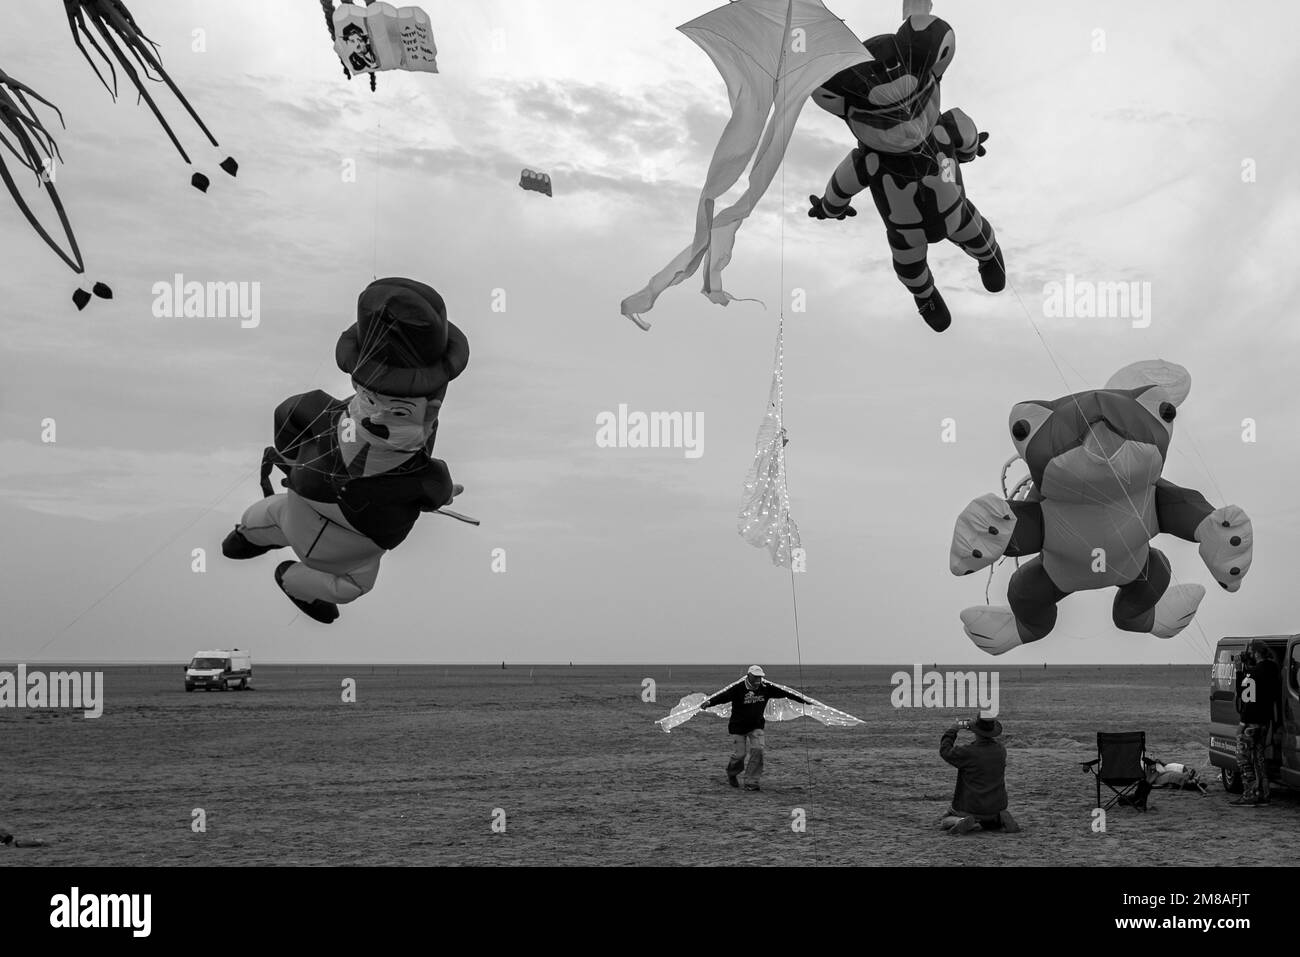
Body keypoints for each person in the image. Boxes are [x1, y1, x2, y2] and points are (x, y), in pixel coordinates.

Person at [699, 666, 810, 792]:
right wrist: (709, 702)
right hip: (738, 727)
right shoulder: (738, 689)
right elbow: (723, 696)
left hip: (756, 726)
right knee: (740, 755)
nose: (758, 680)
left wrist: (804, 700)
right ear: (749, 676)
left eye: (760, 677)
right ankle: (732, 773)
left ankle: (751, 782)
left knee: (758, 750)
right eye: (755, 677)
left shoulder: (766, 688)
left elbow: (785, 693)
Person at [938, 715, 1020, 834]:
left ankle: (960, 821)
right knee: (989, 819)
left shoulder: (968, 752)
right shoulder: (1001, 750)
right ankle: (999, 820)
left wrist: (953, 729)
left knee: (945, 819)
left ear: (975, 731)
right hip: (996, 807)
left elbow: (945, 750)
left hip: (971, 807)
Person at [1230, 639, 1282, 808]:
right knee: (1259, 760)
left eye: (1251, 652)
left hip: (1251, 723)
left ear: (1257, 653)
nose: (1250, 655)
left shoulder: (1253, 673)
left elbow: (1245, 696)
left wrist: (1240, 671)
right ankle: (1264, 794)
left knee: (1243, 759)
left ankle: (1249, 794)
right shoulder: (1273, 669)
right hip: (1265, 722)